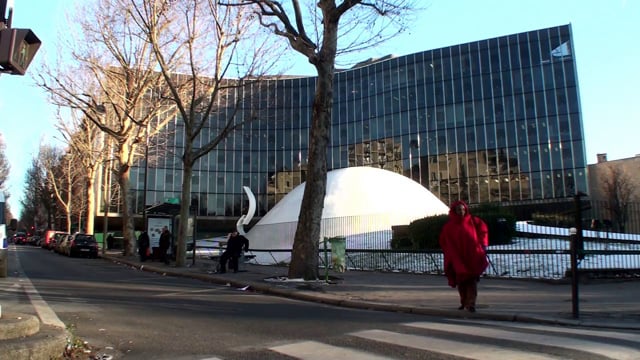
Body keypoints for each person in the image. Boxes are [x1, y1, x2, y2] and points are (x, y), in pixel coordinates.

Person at [439, 200, 489, 313]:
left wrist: (482, 245)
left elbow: (483, 231)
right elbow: (444, 241)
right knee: (461, 282)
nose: (461, 212)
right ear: (454, 211)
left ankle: (471, 303)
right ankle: (464, 302)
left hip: (472, 256)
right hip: (458, 258)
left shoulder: (474, 221)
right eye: (458, 210)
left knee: (471, 281)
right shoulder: (449, 227)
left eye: (463, 209)